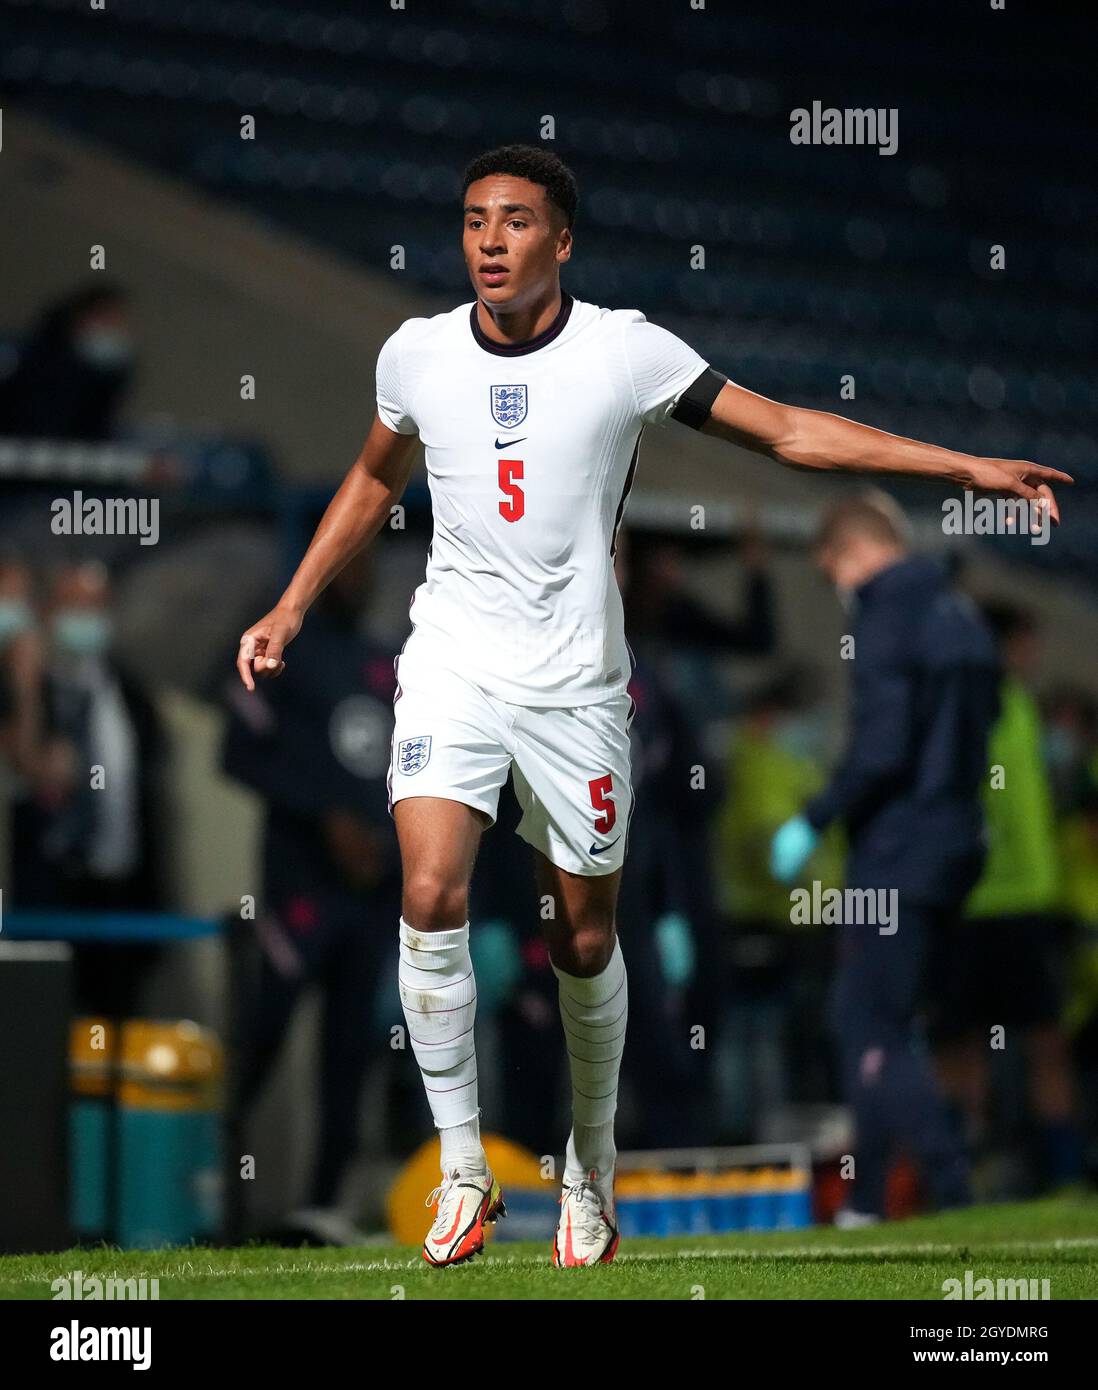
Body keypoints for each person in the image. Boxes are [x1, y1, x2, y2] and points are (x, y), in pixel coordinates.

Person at [234, 145, 1069, 1267]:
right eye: (475, 220)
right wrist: (291, 603)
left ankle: (591, 1162)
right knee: (428, 885)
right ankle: (465, 1167)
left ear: (561, 240)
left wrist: (959, 466)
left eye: (516, 222)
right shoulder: (416, 354)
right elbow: (376, 476)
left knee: (582, 935)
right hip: (455, 665)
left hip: (579, 686)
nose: (489, 240)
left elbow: (783, 431)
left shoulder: (627, 352)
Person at [770, 495, 1000, 1223]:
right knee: (886, 1024)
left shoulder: (886, 613)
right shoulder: (960, 612)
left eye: (833, 570)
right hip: (957, 842)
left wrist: (814, 817)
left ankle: (953, 1184)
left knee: (866, 1026)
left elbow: (883, 749)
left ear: (852, 552)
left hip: (899, 848)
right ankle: (867, 1199)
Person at [222, 550, 402, 1244]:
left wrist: (391, 840)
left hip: (369, 895)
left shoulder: (391, 662)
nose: (359, 579)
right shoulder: (280, 654)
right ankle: (216, 1185)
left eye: (366, 567)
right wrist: (323, 816)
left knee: (348, 1054)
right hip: (300, 890)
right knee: (264, 1032)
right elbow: (237, 752)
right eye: (344, 568)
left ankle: (322, 1207)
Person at [934, 606, 1083, 1193]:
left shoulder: (1019, 705)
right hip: (973, 904)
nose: (1032, 658)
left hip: (1029, 904)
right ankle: (960, 1170)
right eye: (1023, 646)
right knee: (964, 1045)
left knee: (1044, 1041)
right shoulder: (967, 703)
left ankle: (1064, 1171)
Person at [0, 283, 136, 442]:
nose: (113, 329)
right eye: (107, 319)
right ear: (80, 317)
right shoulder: (29, 358)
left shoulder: (108, 373)